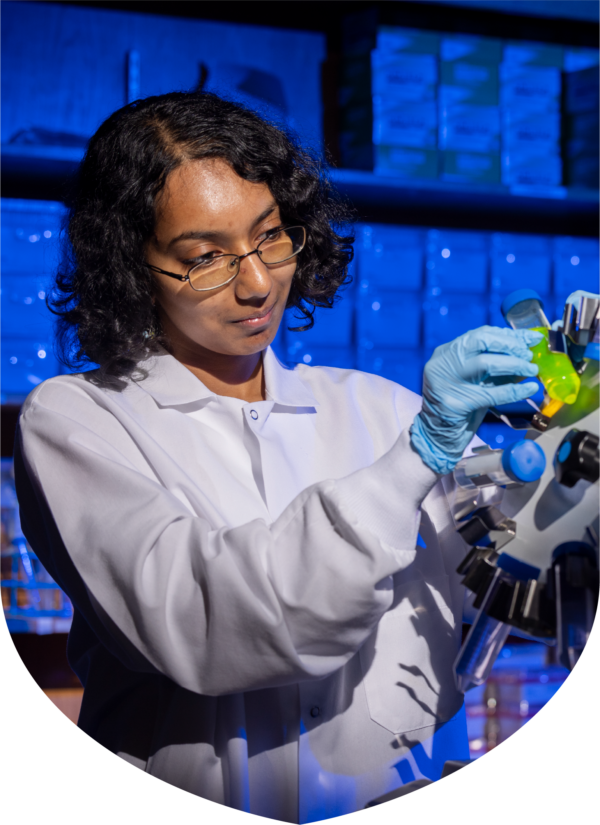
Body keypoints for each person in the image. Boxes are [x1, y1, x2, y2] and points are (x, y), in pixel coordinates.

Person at [13, 92, 541, 822]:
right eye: (204, 258)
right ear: (133, 266)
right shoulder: (78, 422)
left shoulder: (377, 405)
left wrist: (567, 455)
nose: (258, 283)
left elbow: (528, 572)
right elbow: (211, 619)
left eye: (270, 237)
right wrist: (416, 456)